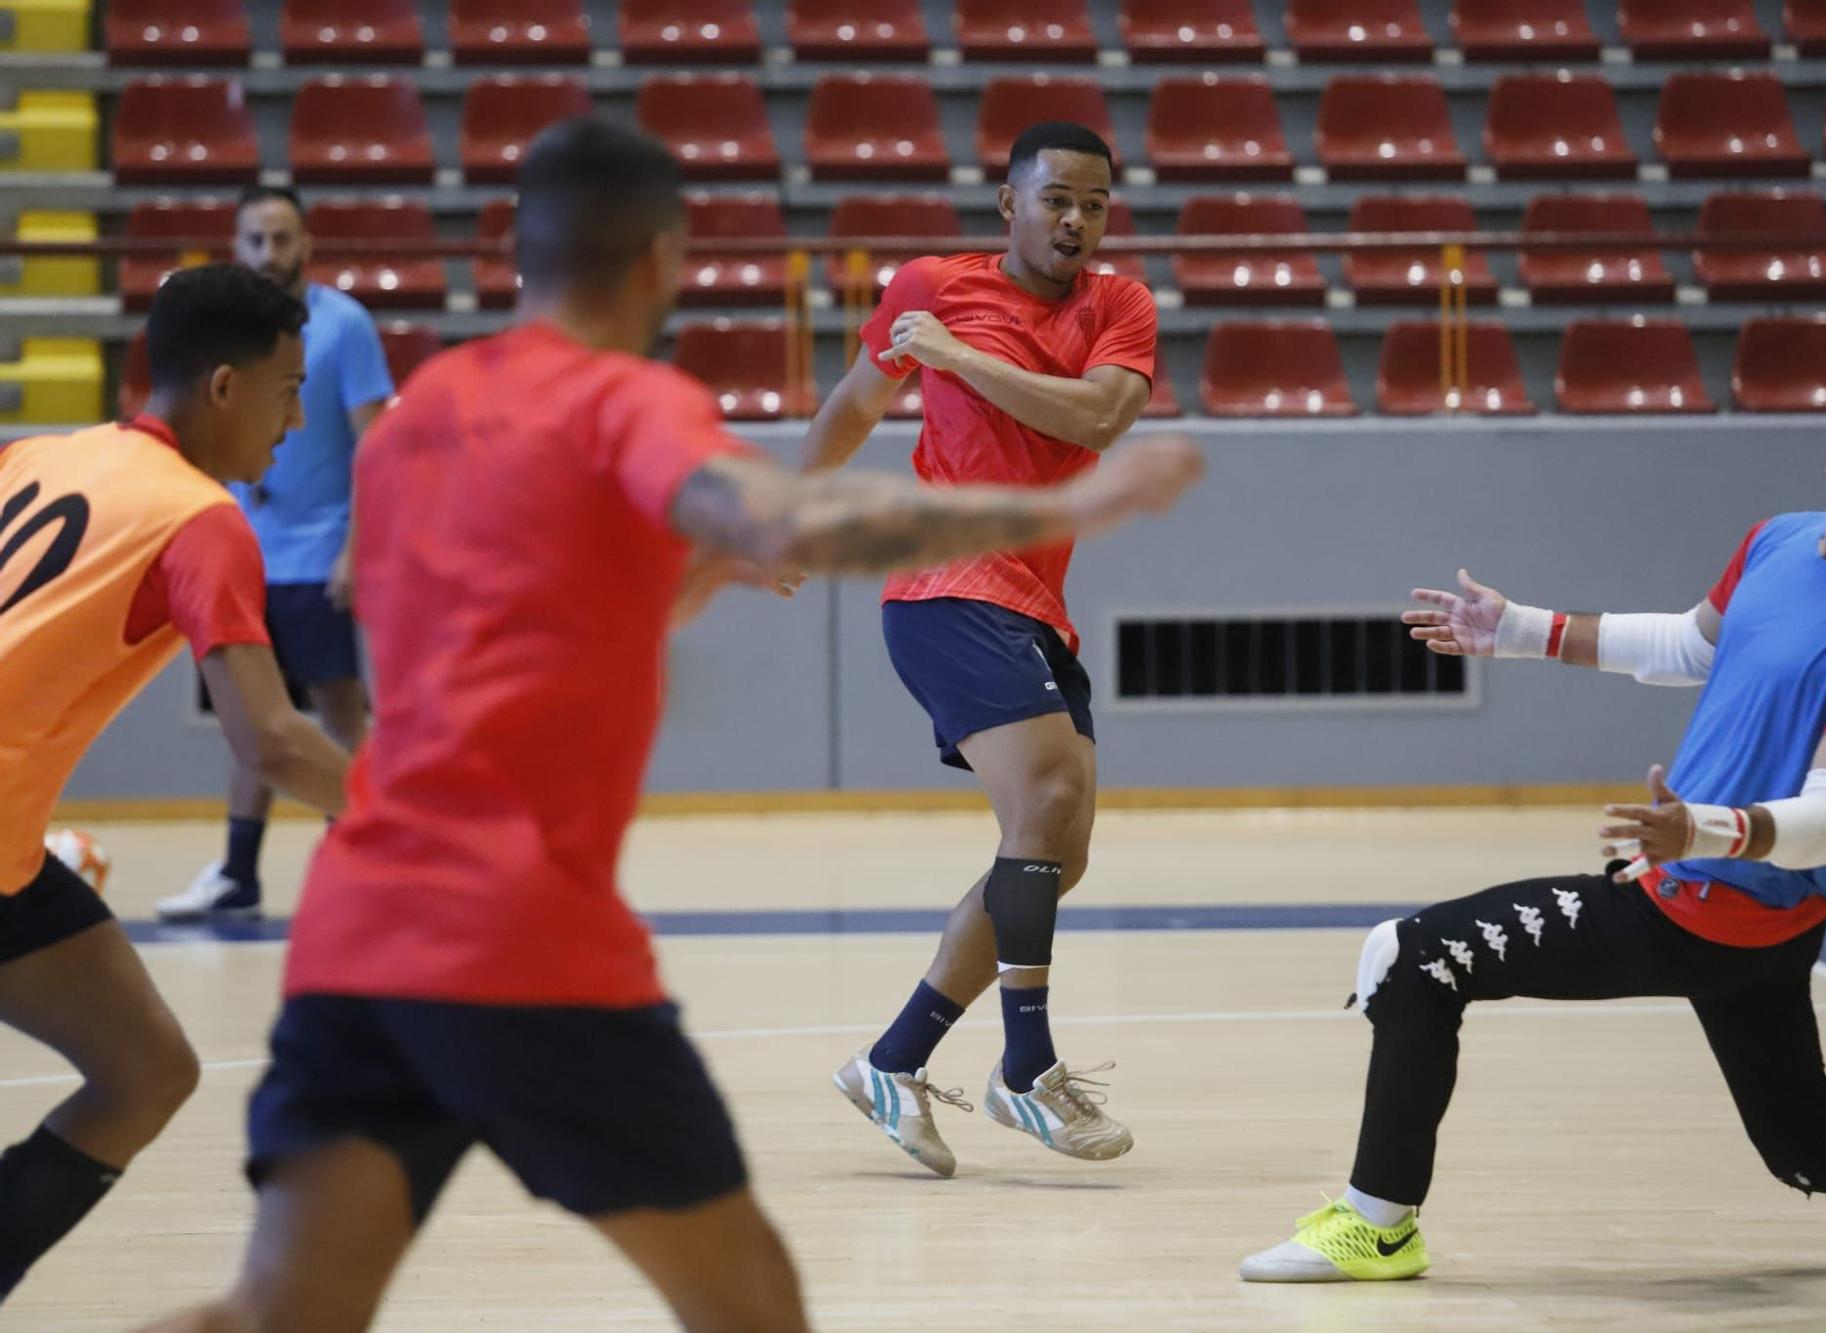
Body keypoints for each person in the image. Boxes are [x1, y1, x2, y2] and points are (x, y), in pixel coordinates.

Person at [151, 118, 1200, 1333]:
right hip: (523, 936)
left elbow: (543, 595)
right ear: (661, 258)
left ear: (515, 251)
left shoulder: (428, 411)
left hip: (355, 925)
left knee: (277, 1310)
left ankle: (975, 1056)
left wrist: (694, 570)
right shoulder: (625, 403)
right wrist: (1084, 491)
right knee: (751, 1303)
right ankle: (984, 1060)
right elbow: (787, 521)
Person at [1240, 372, 1826, 1283]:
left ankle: (1377, 1224)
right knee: (1815, 1147)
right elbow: (1690, 644)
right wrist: (1520, 627)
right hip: (1746, 918)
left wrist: (1705, 831)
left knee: (1417, 958)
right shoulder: (1777, 541)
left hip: (1703, 904)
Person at [802, 122, 1158, 1177]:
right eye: (1054, 198)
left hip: (1036, 602)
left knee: (1054, 850)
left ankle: (893, 1061)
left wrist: (956, 357)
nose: (1074, 220)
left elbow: (1097, 420)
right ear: (1007, 203)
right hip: (944, 585)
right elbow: (855, 403)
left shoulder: (1119, 306)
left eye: (1093, 203)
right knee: (1047, 806)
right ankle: (1026, 1066)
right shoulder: (931, 283)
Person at [0, 264, 350, 1301]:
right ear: (227, 387)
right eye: (290, 391)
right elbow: (276, 744)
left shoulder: (42, 454)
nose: (296, 420)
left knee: (146, 1069)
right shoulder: (199, 519)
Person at [157, 186, 393, 923]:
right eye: (255, 240)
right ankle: (238, 873)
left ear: (308, 244)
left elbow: (378, 448)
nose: (270, 254)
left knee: (337, 718)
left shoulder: (344, 327)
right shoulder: (226, 337)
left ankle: (366, 865)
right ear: (237, 245)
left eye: (283, 238)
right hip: (247, 554)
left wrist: (358, 547)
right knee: (251, 720)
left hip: (321, 554)